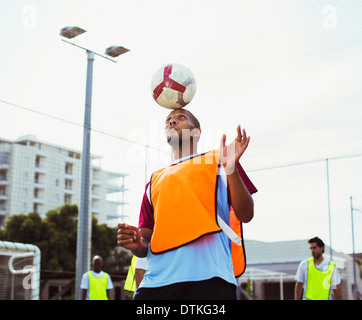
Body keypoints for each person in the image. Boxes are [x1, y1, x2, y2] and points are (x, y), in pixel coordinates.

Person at [117, 108, 257, 300]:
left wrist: (230, 168)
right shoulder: (154, 180)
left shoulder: (221, 160)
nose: (172, 121)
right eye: (169, 119)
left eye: (180, 117)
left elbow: (246, 214)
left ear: (197, 132)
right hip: (157, 282)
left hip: (209, 279)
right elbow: (146, 241)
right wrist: (136, 245)